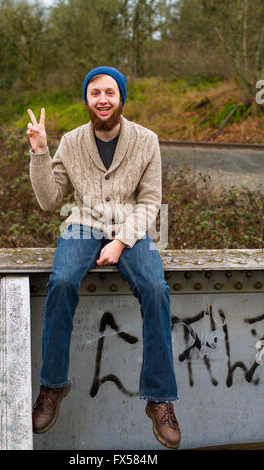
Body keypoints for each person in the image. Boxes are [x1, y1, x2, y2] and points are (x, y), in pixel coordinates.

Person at [27, 66, 181, 449]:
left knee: (156, 289)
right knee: (61, 282)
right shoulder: (72, 141)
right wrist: (41, 152)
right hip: (82, 224)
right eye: (95, 93)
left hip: (130, 227)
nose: (102, 99)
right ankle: (53, 386)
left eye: (109, 92)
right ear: (87, 99)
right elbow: (49, 201)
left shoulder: (147, 140)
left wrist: (122, 242)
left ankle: (159, 398)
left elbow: (149, 202)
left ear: (121, 97)